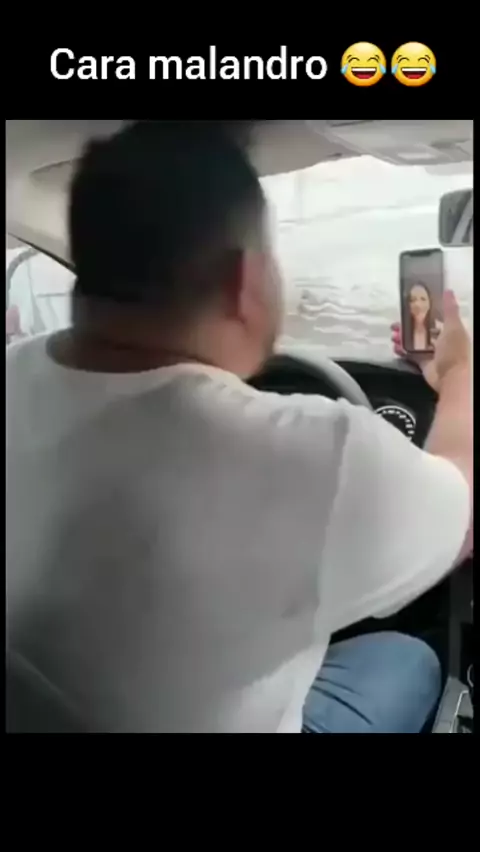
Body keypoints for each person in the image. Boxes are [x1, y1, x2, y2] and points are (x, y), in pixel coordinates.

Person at [6, 121, 473, 733]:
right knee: (407, 658)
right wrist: (460, 371)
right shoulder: (315, 455)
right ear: (245, 281)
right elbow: (463, 512)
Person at [406, 281, 443, 352]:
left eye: (423, 299)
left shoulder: (442, 330)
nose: (418, 305)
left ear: (429, 303)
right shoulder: (404, 333)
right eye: (412, 300)